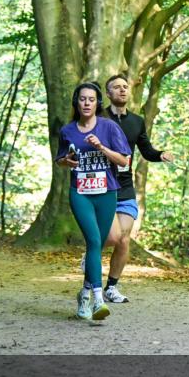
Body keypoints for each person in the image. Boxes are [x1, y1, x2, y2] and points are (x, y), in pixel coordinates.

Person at [55, 82, 130, 321]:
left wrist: (101, 147)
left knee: (95, 246)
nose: (86, 103)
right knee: (95, 240)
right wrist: (67, 161)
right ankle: (98, 300)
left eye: (91, 99)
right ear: (76, 103)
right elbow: (60, 160)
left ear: (98, 103)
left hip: (107, 192)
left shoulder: (109, 127)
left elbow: (123, 161)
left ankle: (84, 293)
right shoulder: (68, 130)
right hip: (80, 193)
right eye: (82, 99)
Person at [95, 74, 173, 303]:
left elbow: (146, 150)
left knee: (124, 239)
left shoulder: (137, 121)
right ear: (108, 94)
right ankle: (91, 252)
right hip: (101, 184)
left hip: (125, 186)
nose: (122, 90)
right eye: (116, 87)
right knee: (112, 237)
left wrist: (160, 155)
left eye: (125, 87)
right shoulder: (98, 117)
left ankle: (111, 287)